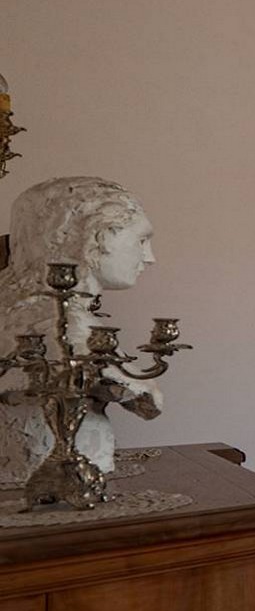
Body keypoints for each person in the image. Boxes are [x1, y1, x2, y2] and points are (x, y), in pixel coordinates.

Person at [0, 177, 161, 486]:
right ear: (92, 236)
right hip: (51, 471)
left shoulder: (21, 314)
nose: (149, 257)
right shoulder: (67, 330)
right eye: (141, 240)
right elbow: (147, 401)